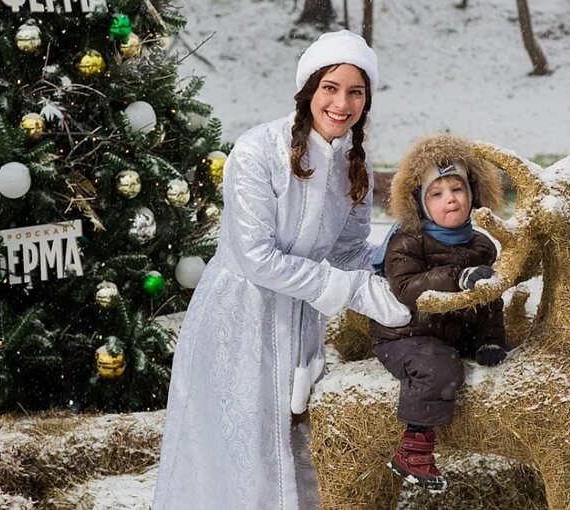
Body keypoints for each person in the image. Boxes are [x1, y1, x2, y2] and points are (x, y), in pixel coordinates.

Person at [153, 30, 410, 509]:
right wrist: (348, 289)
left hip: (301, 322)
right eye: (330, 87)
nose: (341, 102)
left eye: (356, 91)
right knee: (235, 447)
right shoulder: (257, 151)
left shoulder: (356, 164)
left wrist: (397, 278)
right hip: (239, 318)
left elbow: (349, 250)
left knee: (293, 442)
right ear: (309, 90)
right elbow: (256, 257)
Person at [370, 134, 510, 492]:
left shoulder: (481, 244)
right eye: (437, 193)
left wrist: (491, 340)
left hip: (451, 333)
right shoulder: (407, 241)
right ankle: (413, 449)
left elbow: (491, 300)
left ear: (473, 195)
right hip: (406, 335)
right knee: (439, 366)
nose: (450, 198)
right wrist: (457, 278)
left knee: (467, 361)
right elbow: (406, 289)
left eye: (457, 189)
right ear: (419, 203)